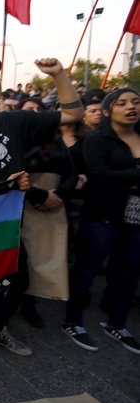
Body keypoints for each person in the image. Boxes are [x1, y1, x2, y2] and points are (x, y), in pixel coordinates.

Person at [0, 55, 83, 360]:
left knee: (17, 276)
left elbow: (73, 113)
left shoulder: (17, 119)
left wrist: (59, 75)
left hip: (8, 218)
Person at [62, 88, 140, 355]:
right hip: (102, 214)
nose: (131, 106)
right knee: (87, 267)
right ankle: (73, 321)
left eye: (136, 102)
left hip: (136, 219)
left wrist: (128, 176)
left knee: (128, 271)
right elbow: (100, 174)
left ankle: (117, 323)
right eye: (122, 103)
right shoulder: (98, 140)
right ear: (108, 111)